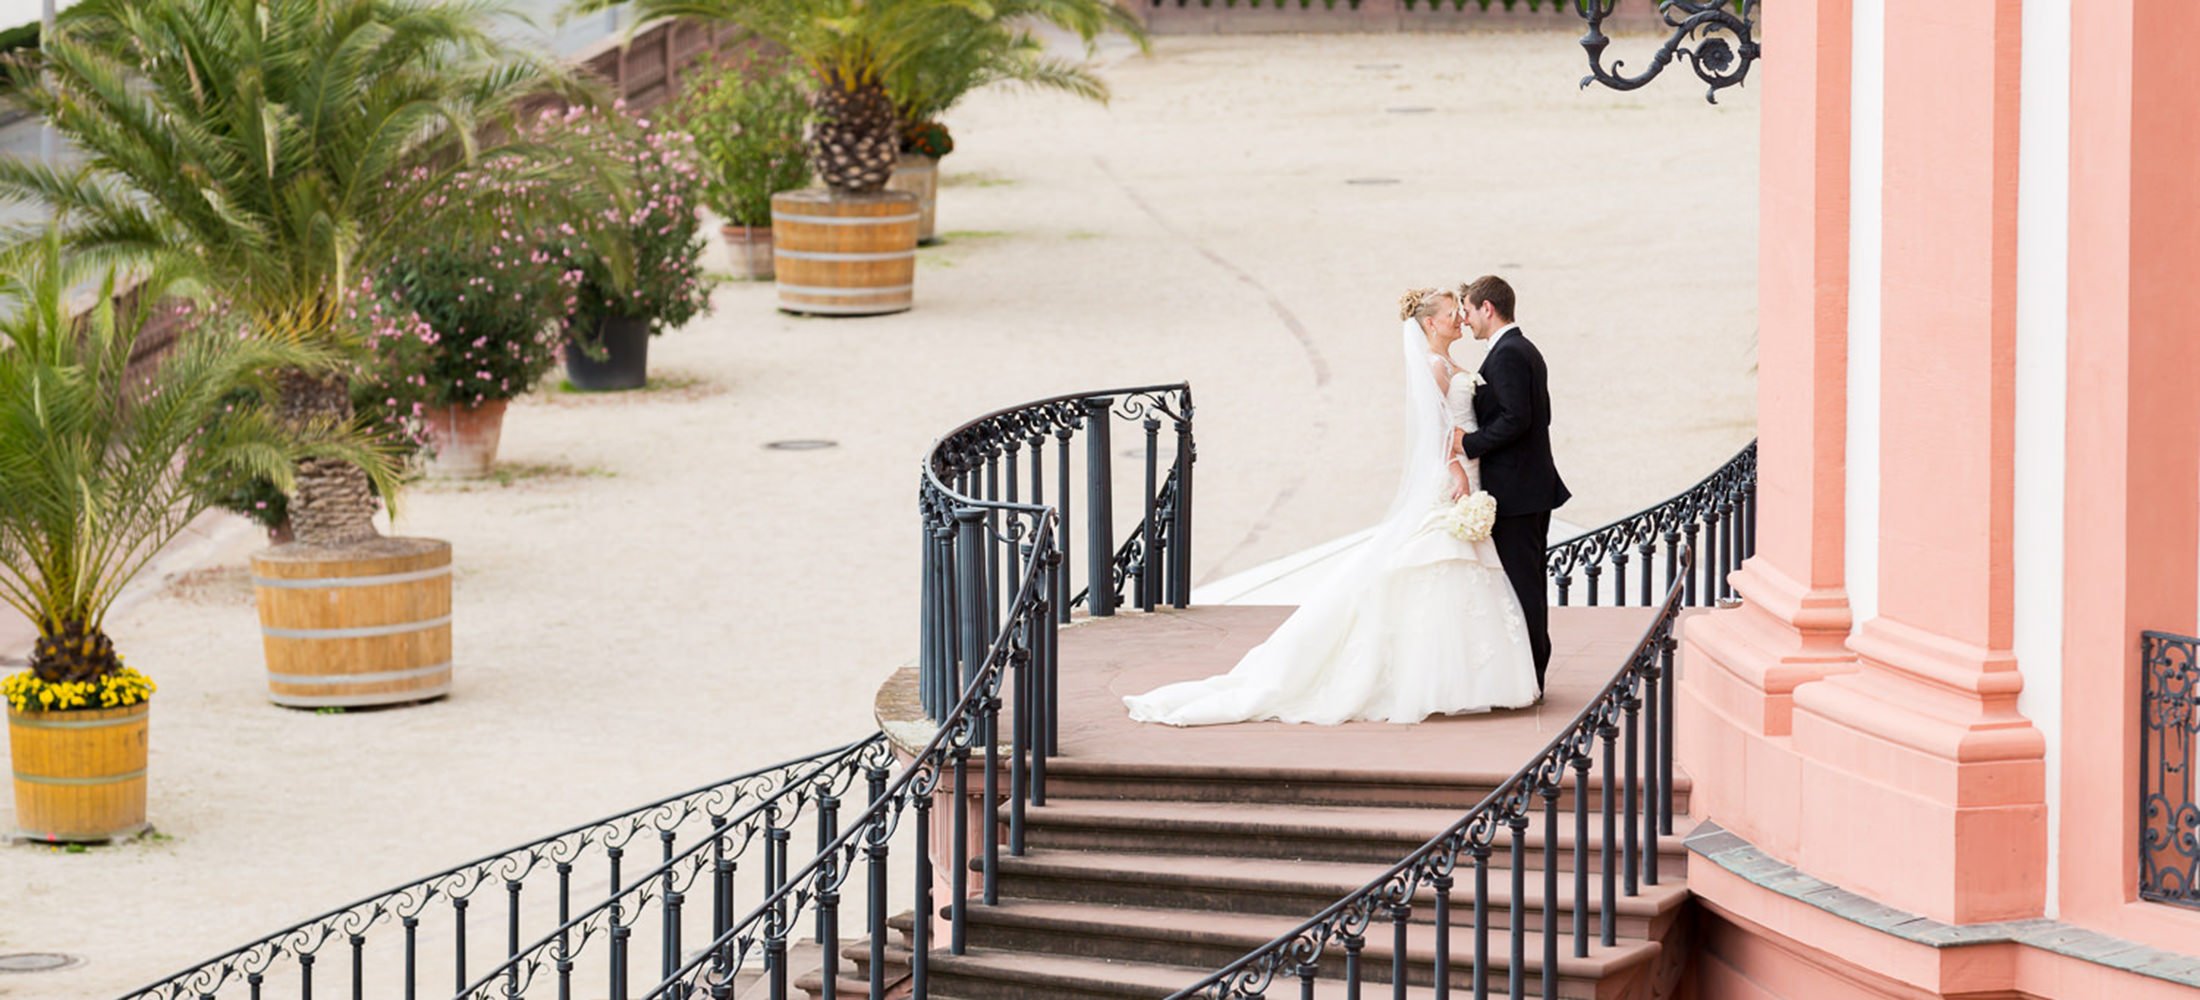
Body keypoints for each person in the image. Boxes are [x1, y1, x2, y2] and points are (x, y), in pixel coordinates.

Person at [1122, 288, 1538, 726]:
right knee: (1437, 565)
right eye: (1453, 314)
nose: (1459, 320)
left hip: (1470, 469)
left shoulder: (1450, 364)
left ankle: (1465, 678)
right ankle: (1438, 681)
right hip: (1454, 474)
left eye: (1460, 313)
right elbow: (1436, 428)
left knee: (1459, 568)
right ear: (1431, 323)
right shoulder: (1434, 367)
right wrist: (1455, 467)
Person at [1457, 275, 1570, 692]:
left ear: (1488, 308)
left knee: (1522, 584)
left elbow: (1516, 418)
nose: (1465, 320)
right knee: (1527, 580)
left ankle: (1532, 674)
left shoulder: (1506, 354)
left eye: (1468, 310)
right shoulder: (1522, 349)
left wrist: (1469, 443)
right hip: (1530, 486)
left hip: (1518, 492)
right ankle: (1528, 671)